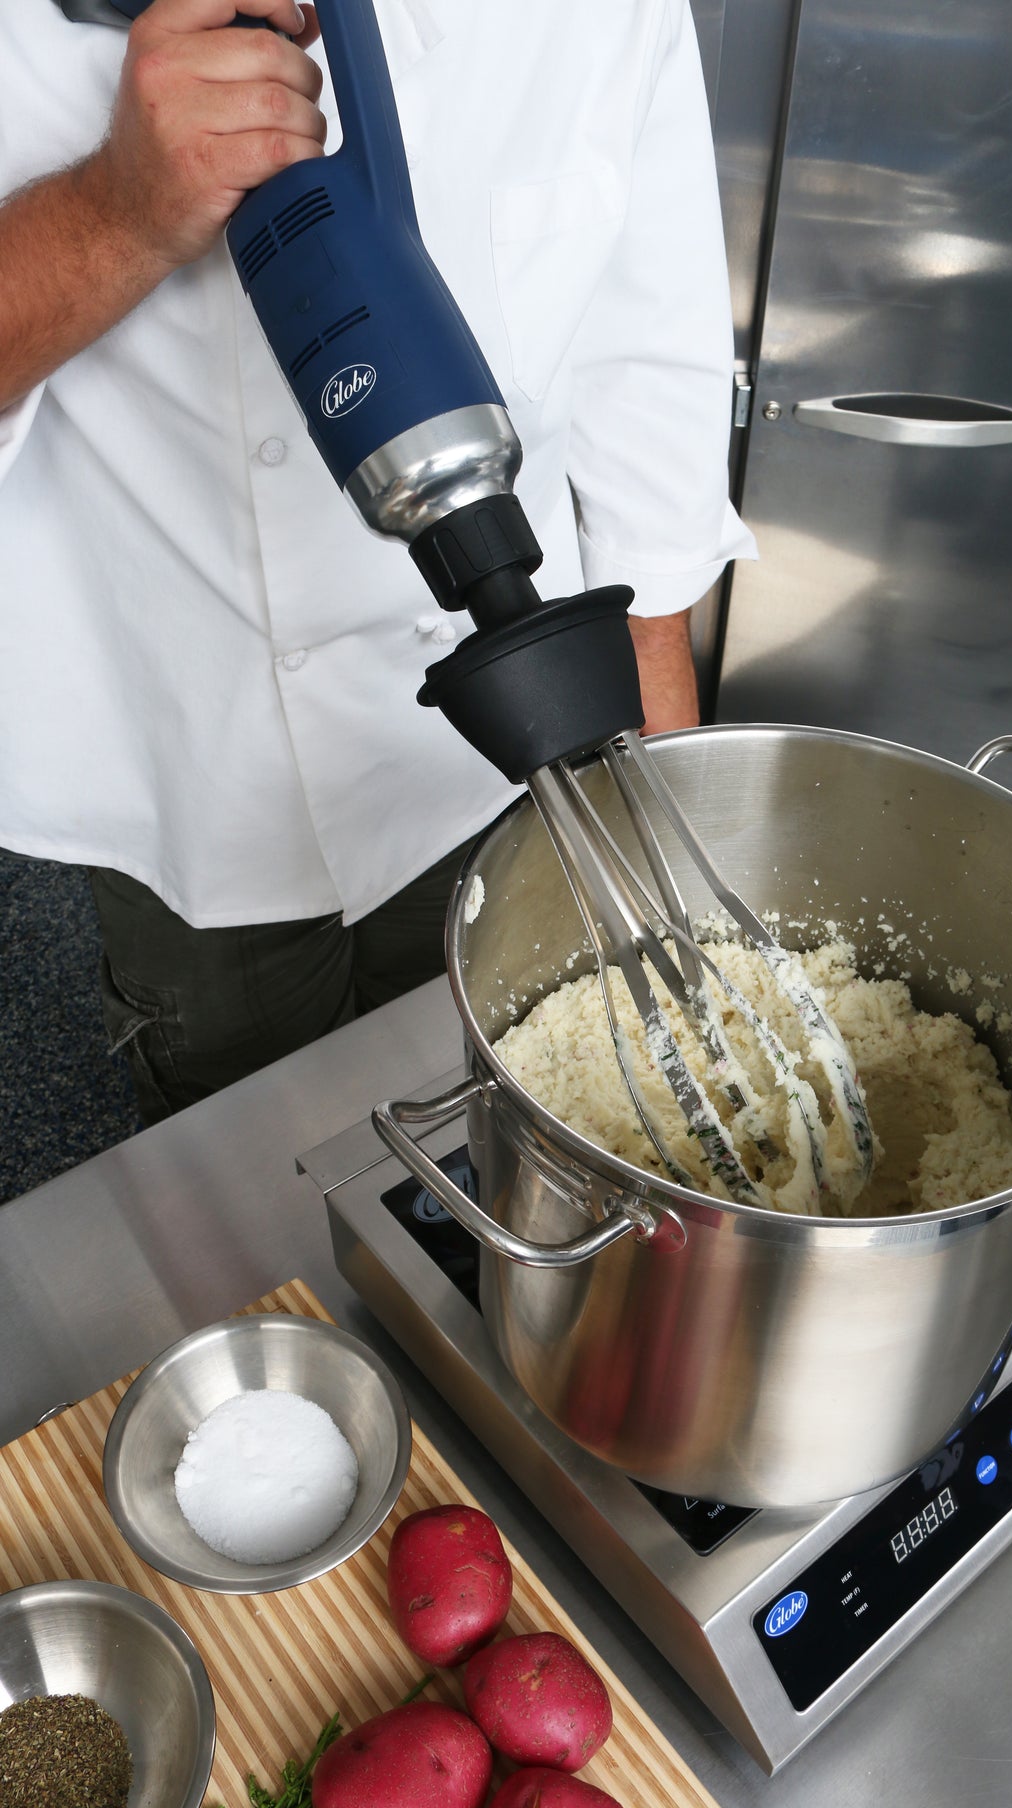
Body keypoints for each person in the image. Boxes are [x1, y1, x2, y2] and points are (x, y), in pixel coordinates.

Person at [0, 0, 755, 1123]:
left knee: (521, 1116)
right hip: (184, 773)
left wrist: (659, 825)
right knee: (237, 1161)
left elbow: (647, 399)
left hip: (502, 772)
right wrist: (112, 212)